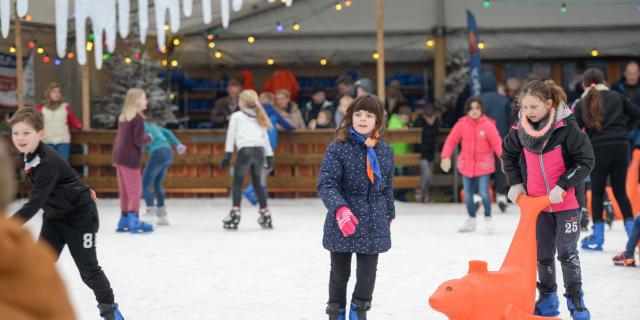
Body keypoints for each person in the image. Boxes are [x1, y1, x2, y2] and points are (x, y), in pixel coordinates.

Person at [8, 108, 125, 320]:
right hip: (54, 216)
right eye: (16, 133)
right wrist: (80, 188)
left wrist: (6, 227)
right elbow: (66, 175)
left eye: (26, 132)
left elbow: (35, 202)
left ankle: (110, 310)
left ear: (40, 134)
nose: (20, 138)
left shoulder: (47, 161)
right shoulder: (28, 156)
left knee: (88, 271)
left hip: (80, 219)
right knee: (37, 266)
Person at [502, 80, 594, 319]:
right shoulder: (520, 129)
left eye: (533, 107)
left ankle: (576, 302)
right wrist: (515, 183)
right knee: (543, 254)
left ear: (549, 104)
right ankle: (548, 300)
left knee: (567, 253)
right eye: (524, 107)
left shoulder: (567, 128)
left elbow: (585, 161)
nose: (528, 112)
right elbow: (508, 155)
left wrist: (563, 184)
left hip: (567, 204)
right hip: (537, 205)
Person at [318, 95, 395, 320]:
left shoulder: (385, 151)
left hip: (373, 220)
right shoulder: (337, 148)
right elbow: (327, 183)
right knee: (340, 274)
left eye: (369, 115)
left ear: (378, 121)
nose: (363, 119)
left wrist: (389, 213)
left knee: (367, 274)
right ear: (350, 117)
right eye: (358, 114)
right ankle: (336, 313)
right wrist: (340, 209)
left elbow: (387, 186)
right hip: (345, 220)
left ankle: (358, 313)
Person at [573, 68, 640, 251]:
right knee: (620, 192)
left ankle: (598, 236)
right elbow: (637, 114)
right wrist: (624, 129)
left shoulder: (581, 103)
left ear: (584, 85)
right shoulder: (617, 96)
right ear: (604, 81)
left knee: (596, 192)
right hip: (621, 146)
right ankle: (633, 236)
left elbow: (575, 129)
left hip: (598, 149)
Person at [440, 97, 502, 233]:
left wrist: (505, 160)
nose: (474, 111)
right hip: (466, 165)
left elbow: (498, 143)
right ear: (467, 110)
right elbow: (451, 140)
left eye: (477, 108)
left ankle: (488, 217)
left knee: (484, 193)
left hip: (484, 165)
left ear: (481, 110)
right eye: (471, 108)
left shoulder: (488, 125)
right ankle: (471, 218)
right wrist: (445, 156)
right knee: (467, 195)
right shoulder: (462, 124)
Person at [220, 89, 274, 230]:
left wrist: (228, 154)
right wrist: (269, 155)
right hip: (259, 152)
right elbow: (265, 138)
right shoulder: (259, 115)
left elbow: (231, 135)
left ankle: (235, 212)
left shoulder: (237, 116)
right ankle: (265, 213)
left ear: (242, 102)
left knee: (237, 183)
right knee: (257, 184)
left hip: (245, 152)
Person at [242, 92, 295, 206]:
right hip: (269, 145)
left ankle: (259, 195)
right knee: (266, 168)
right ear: (272, 102)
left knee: (262, 169)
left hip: (256, 144)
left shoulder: (256, 113)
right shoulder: (274, 112)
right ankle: (250, 191)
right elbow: (288, 126)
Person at [112, 88, 153, 234]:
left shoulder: (124, 117)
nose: (146, 101)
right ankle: (133, 219)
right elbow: (138, 141)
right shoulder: (138, 118)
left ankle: (124, 219)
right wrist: (148, 138)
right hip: (130, 158)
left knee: (124, 190)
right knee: (135, 190)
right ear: (136, 101)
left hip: (119, 156)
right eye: (144, 98)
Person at [141, 116, 187, 226]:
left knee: (145, 184)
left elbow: (140, 143)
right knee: (157, 184)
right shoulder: (153, 126)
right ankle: (162, 216)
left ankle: (150, 212)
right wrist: (177, 144)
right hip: (168, 153)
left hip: (158, 153)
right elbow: (167, 132)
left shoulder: (140, 126)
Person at [479, 72, 512, 212]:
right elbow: (510, 118)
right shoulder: (503, 100)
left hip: (482, 139)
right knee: (501, 167)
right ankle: (501, 195)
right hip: (501, 137)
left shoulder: (477, 100)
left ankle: (479, 195)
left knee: (481, 167)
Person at [34, 82, 83, 161]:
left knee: (63, 164)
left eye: (58, 91)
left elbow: (72, 120)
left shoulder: (65, 107)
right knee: (49, 164)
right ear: (48, 93)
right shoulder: (40, 108)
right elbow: (34, 122)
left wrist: (80, 126)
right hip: (47, 141)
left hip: (63, 141)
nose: (57, 94)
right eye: (54, 91)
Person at [413, 103, 440, 203]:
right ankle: (421, 193)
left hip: (431, 153)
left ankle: (424, 195)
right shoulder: (418, 122)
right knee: (426, 174)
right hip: (421, 154)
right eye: (428, 117)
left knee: (429, 177)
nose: (430, 120)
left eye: (432, 117)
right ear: (424, 116)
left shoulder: (437, 122)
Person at [611, 61, 640, 150]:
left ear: (639, 73)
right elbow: (612, 107)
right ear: (624, 73)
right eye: (629, 74)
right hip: (622, 129)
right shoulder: (615, 87)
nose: (632, 77)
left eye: (634, 74)